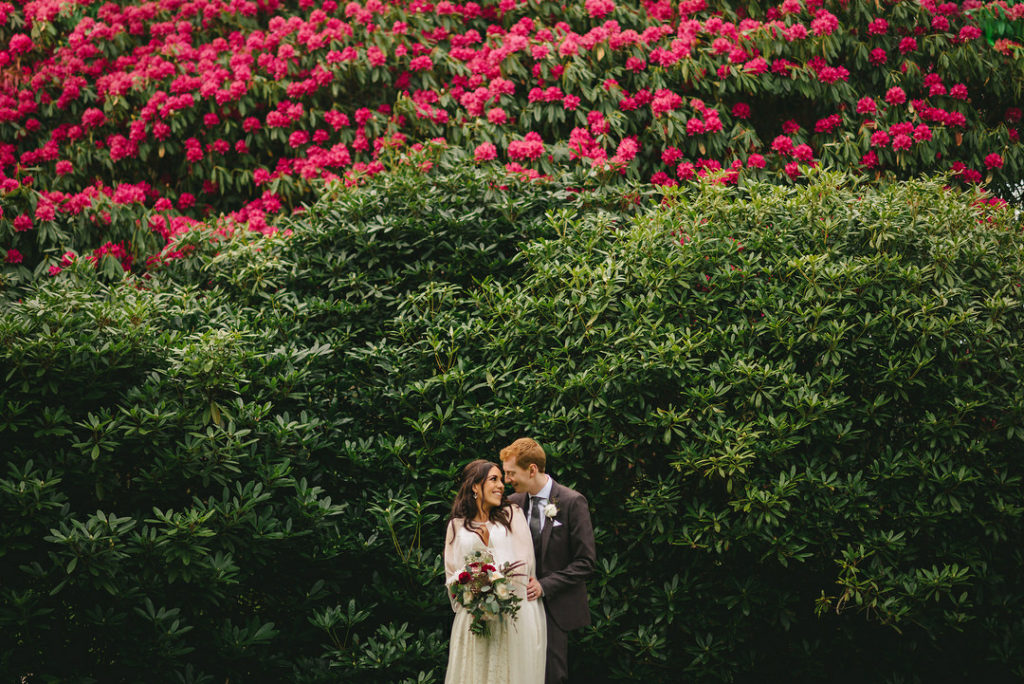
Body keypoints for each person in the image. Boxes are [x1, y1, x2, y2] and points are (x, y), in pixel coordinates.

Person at [443, 459, 547, 684]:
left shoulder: (511, 516)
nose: (501, 485)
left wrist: (489, 547)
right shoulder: (456, 526)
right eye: (494, 479)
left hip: (506, 620)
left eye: (502, 479)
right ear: (474, 486)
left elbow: (524, 567)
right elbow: (451, 576)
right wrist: (472, 588)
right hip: (473, 620)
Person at [501, 438, 596, 684]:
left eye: (511, 473)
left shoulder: (572, 502)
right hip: (518, 608)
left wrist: (545, 586)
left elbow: (586, 561)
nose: (507, 480)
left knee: (553, 676)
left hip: (556, 607)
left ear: (531, 469)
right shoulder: (512, 504)